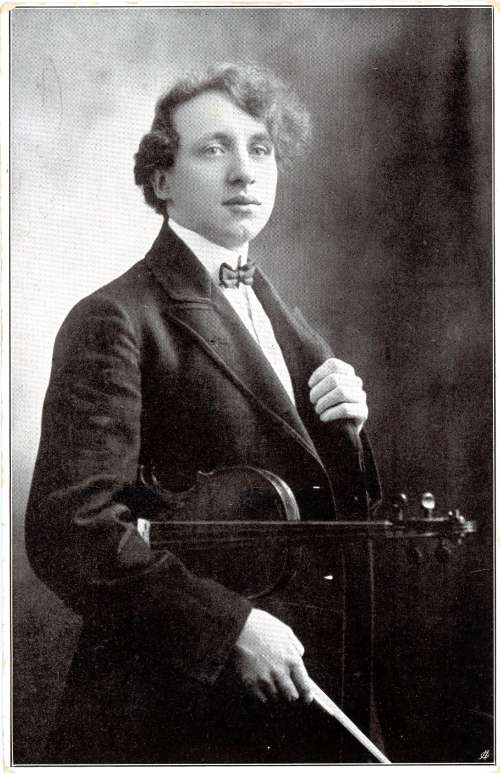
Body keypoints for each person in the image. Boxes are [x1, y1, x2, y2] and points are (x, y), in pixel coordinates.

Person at [25, 62, 382, 764]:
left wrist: (349, 433)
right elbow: (70, 530)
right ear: (161, 178)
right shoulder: (115, 318)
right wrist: (230, 627)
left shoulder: (286, 320)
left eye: (261, 148)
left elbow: (318, 503)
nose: (244, 171)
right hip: (179, 711)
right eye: (213, 149)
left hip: (301, 700)